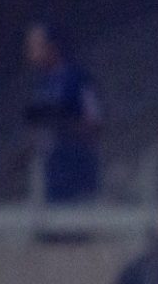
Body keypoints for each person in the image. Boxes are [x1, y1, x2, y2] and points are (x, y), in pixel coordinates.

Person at [22, 22, 102, 202]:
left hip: (78, 174)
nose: (30, 53)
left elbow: (94, 125)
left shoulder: (77, 79)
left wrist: (61, 124)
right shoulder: (42, 86)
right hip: (52, 177)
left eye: (35, 46)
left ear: (51, 47)